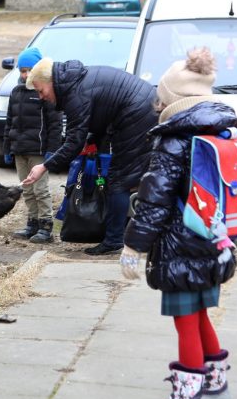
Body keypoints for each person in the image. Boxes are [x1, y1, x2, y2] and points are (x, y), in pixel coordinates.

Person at [120, 47, 237, 399]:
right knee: (201, 312)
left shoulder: (175, 140)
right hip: (213, 239)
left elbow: (154, 202)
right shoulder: (219, 130)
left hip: (179, 244)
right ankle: (217, 391)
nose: (157, 106)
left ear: (174, 99)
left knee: (186, 320)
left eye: (160, 98)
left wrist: (133, 247)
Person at [22, 57, 157, 255]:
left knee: (120, 180)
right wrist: (93, 140)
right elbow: (101, 111)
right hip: (138, 107)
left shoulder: (74, 94)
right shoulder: (73, 84)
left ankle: (114, 241)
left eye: (41, 90)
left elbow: (73, 141)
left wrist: (45, 166)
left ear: (51, 82)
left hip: (138, 112)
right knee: (129, 177)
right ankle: (138, 232)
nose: (41, 96)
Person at [3, 47, 63, 243]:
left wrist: (52, 150)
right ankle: (33, 223)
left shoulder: (43, 92)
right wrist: (7, 147)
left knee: (40, 189)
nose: (26, 74)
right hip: (20, 149)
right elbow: (9, 121)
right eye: (22, 70)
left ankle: (46, 226)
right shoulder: (16, 92)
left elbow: (54, 124)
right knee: (27, 189)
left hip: (38, 151)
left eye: (29, 70)